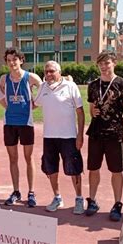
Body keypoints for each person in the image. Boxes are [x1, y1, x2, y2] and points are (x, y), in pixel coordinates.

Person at [34, 61, 85, 214]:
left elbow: (80, 112)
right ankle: (57, 198)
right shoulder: (43, 87)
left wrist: (80, 135)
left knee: (74, 169)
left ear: (59, 72)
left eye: (51, 71)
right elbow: (34, 104)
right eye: (46, 71)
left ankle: (79, 199)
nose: (48, 74)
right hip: (49, 137)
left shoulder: (71, 86)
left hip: (68, 136)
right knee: (51, 169)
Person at [86, 51, 123, 221]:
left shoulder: (122, 84)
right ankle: (92, 200)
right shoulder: (93, 85)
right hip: (96, 132)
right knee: (93, 168)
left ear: (114, 63)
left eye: (107, 63)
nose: (104, 67)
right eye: (101, 64)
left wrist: (121, 127)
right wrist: (94, 111)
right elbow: (91, 109)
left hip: (114, 133)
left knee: (116, 170)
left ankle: (117, 203)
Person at [0, 47, 42, 207]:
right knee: (13, 159)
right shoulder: (4, 79)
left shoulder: (30, 77)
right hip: (9, 122)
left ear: (21, 60)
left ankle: (31, 192)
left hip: (26, 123)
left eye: (14, 60)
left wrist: (34, 104)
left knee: (28, 158)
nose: (11, 63)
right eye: (9, 60)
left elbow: (43, 89)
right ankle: (16, 191)